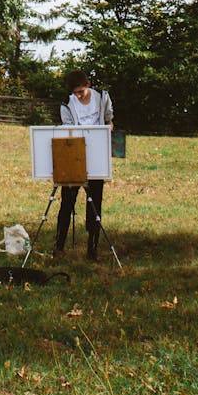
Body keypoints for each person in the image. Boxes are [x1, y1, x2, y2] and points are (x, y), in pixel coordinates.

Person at [55, 70, 113, 261]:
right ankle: (59, 246)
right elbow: (67, 129)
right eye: (76, 93)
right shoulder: (67, 103)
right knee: (67, 201)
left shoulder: (102, 97)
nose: (79, 95)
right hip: (75, 155)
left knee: (95, 202)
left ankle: (92, 248)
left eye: (82, 91)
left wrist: (108, 128)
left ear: (88, 84)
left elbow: (108, 120)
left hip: (96, 156)